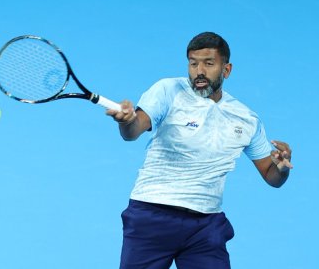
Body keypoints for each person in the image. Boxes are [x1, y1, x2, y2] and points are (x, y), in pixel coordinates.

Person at [106, 32, 293, 269]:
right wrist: (126, 121)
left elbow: (272, 176)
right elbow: (134, 129)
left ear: (226, 70)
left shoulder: (246, 119)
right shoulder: (168, 90)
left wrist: (281, 168)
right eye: (193, 63)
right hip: (152, 215)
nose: (199, 71)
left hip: (206, 225)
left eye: (209, 63)